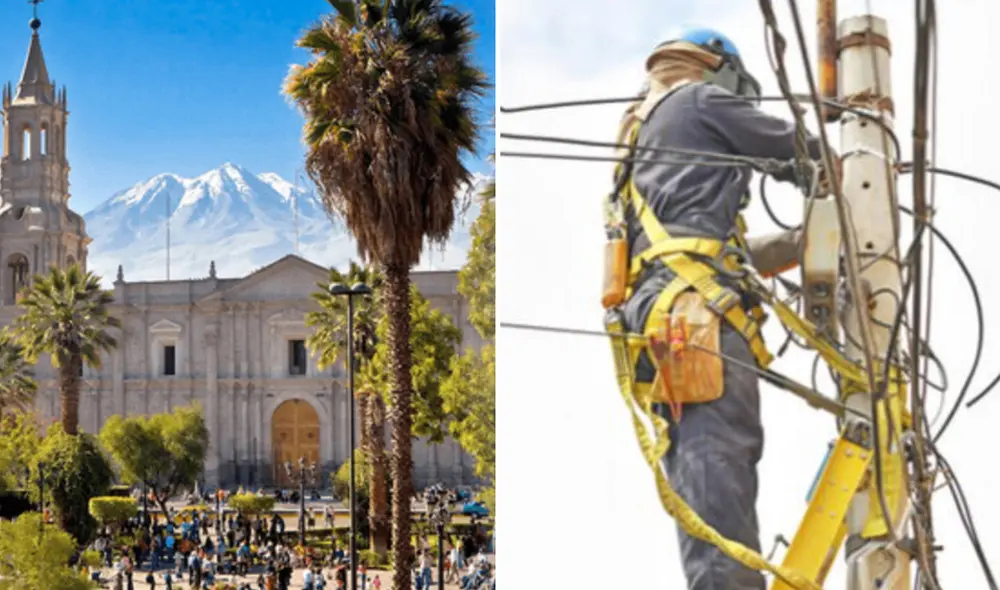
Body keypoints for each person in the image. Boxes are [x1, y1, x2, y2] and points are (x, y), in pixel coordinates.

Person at [606, 28, 832, 590]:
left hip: (670, 312)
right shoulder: (700, 99)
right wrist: (857, 171)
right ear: (718, 69)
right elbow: (801, 152)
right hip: (693, 317)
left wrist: (805, 244)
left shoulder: (641, 140)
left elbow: (702, 250)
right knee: (718, 466)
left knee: (705, 474)